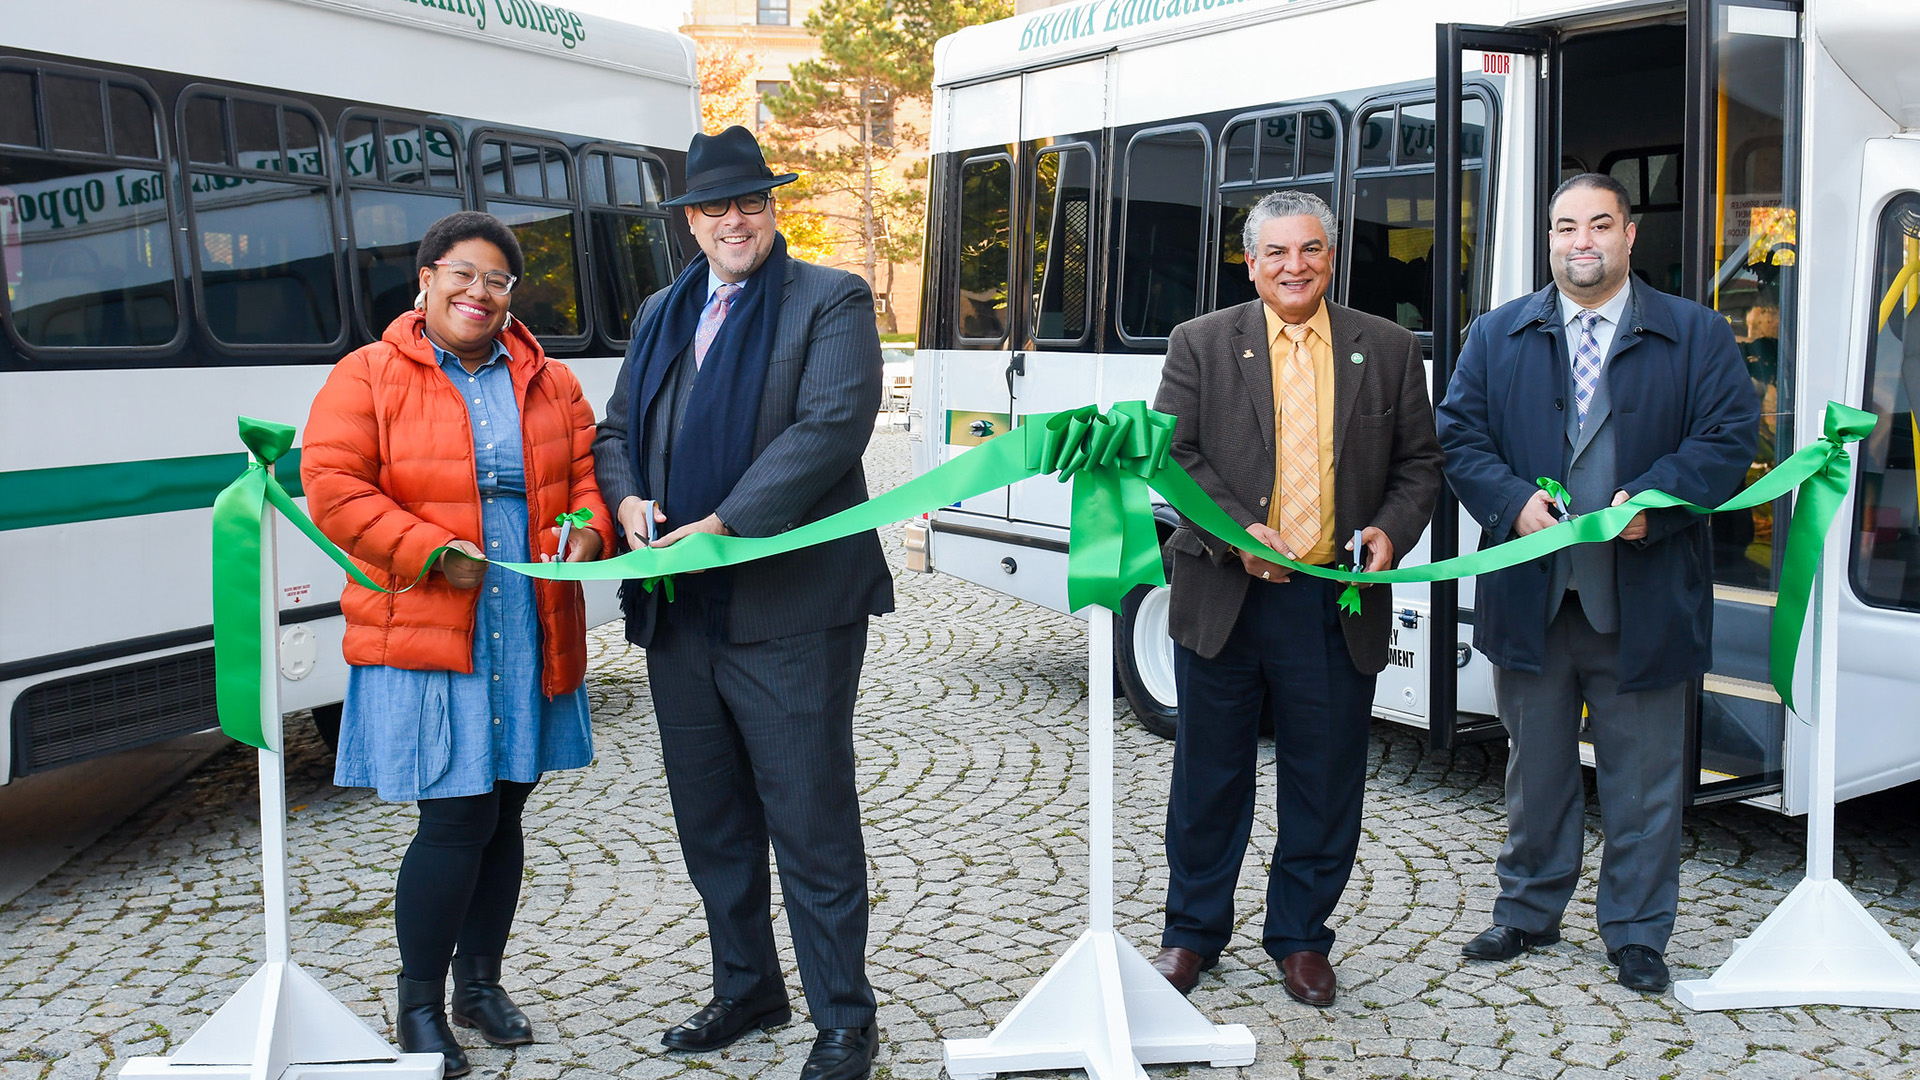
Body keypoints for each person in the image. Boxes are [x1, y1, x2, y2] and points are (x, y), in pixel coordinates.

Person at [592, 126, 892, 1080]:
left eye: (751, 202)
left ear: (773, 211)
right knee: (712, 821)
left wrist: (725, 520)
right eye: (717, 206)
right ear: (690, 220)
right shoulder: (657, 313)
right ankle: (747, 985)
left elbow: (832, 426)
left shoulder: (829, 298)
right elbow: (615, 430)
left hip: (791, 609)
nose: (735, 219)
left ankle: (844, 1016)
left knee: (809, 819)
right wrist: (629, 496)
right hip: (682, 611)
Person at [302, 210, 614, 1077]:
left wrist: (588, 531)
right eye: (463, 275)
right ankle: (418, 1002)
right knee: (456, 815)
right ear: (426, 279)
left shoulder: (549, 380)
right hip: (435, 618)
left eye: (499, 281)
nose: (480, 293)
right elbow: (330, 484)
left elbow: (587, 477)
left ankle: (481, 984)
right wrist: (432, 552)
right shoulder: (367, 374)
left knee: (507, 807)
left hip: (528, 615)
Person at [1436, 173, 1758, 993]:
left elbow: (1727, 441)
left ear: (1630, 234)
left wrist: (1659, 502)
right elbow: (1459, 436)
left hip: (1644, 600)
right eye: (1565, 227)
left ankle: (1638, 934)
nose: (1582, 241)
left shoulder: (1697, 334)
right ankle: (1526, 912)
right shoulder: (1496, 333)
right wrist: (1510, 505)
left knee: (1644, 780)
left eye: (1600, 225)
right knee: (1533, 770)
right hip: (1532, 599)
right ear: (1549, 238)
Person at [1148, 189, 1443, 1006]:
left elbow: (1421, 464)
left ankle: (1303, 938)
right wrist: (1242, 537)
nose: (1294, 266)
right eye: (1277, 252)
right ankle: (1192, 933)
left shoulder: (1385, 347)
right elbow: (1175, 462)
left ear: (1331, 256)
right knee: (1210, 776)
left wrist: (1389, 531)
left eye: (1310, 250)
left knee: (1324, 779)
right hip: (1224, 599)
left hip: (1332, 603)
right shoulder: (1200, 344)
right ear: (1251, 263)